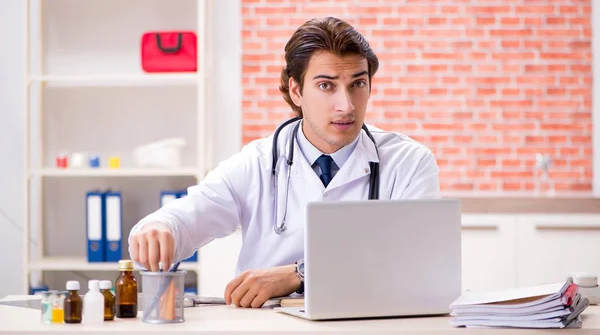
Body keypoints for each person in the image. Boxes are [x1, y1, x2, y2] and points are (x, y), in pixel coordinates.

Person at [128, 17, 441, 308]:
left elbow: (421, 265)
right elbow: (187, 217)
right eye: (326, 85)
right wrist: (159, 227)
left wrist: (298, 274)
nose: (346, 105)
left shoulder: (408, 163)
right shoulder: (258, 163)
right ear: (296, 90)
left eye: (357, 84)